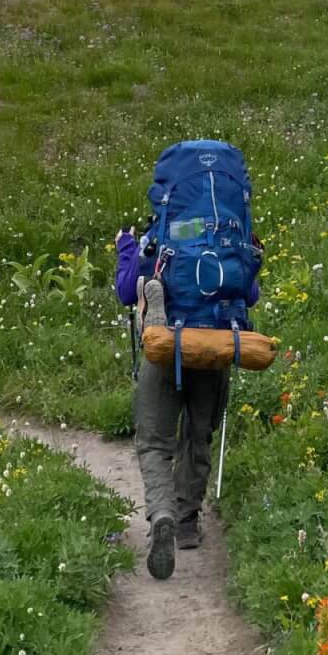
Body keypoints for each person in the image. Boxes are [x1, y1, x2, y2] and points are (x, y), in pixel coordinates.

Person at [114, 217, 263, 581]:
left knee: (153, 441)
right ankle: (186, 524)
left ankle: (162, 512)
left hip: (166, 347)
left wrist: (125, 247)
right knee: (198, 435)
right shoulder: (229, 236)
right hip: (213, 347)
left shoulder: (159, 235)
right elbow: (251, 294)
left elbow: (124, 291)